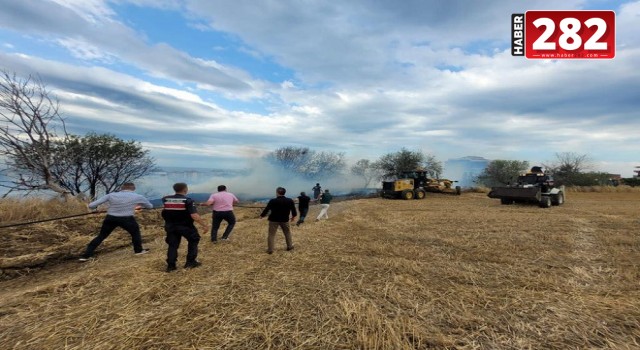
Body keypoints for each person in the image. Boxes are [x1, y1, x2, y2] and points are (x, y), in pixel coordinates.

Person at [79, 182, 153, 261]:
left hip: (110, 218)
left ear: (122, 188)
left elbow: (91, 206)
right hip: (127, 219)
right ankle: (138, 250)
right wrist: (139, 205)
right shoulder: (138, 197)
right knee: (135, 233)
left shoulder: (111, 195)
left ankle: (86, 256)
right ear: (133, 189)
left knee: (101, 236)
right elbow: (150, 207)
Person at [161, 183, 209, 272]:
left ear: (174, 189)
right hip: (185, 226)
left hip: (170, 226)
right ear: (185, 189)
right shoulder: (188, 200)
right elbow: (194, 215)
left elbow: (164, 199)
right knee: (194, 240)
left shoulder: (166, 199)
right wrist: (204, 225)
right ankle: (190, 263)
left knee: (173, 245)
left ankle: (171, 266)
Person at [259, 187, 297, 254]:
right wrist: (293, 216)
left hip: (273, 219)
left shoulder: (272, 201)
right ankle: (290, 246)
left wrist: (262, 215)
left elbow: (267, 209)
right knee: (287, 233)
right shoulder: (289, 200)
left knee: (271, 234)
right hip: (285, 219)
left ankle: (270, 250)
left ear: (277, 192)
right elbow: (293, 210)